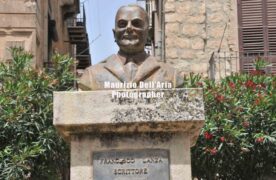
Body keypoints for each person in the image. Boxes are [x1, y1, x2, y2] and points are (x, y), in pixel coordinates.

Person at [79, 4, 183, 90]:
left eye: (136, 23)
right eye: (122, 24)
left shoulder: (171, 75)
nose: (129, 28)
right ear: (114, 34)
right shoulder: (92, 75)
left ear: (148, 33)